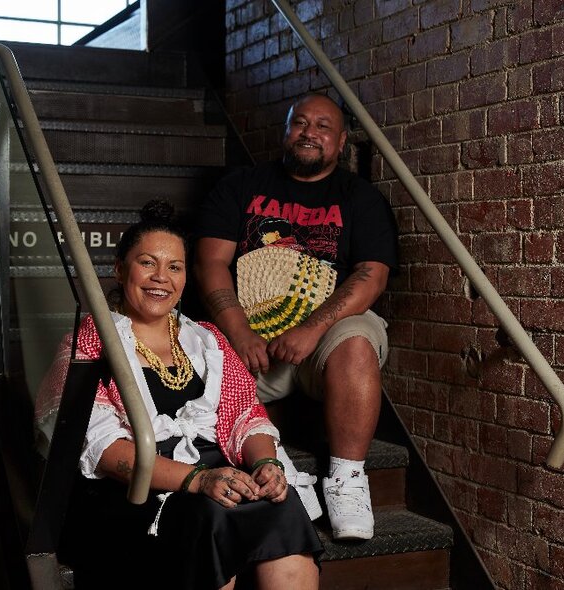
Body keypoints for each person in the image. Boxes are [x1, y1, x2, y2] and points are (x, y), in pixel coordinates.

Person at [34, 201, 321, 589]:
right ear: (120, 269)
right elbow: (105, 451)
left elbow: (245, 416)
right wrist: (199, 481)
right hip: (132, 490)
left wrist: (267, 464)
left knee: (281, 505)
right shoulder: (89, 343)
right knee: (210, 516)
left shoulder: (206, 340)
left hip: (216, 472)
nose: (161, 278)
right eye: (147, 263)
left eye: (174, 267)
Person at [195, 93, 398, 541]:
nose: (309, 132)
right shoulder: (241, 185)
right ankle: (278, 468)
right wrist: (240, 332)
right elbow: (210, 263)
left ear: (341, 141)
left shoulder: (358, 197)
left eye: (323, 126)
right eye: (300, 123)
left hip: (321, 343)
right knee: (198, 353)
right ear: (286, 131)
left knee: (358, 338)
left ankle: (346, 479)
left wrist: (311, 328)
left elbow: (372, 277)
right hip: (252, 346)